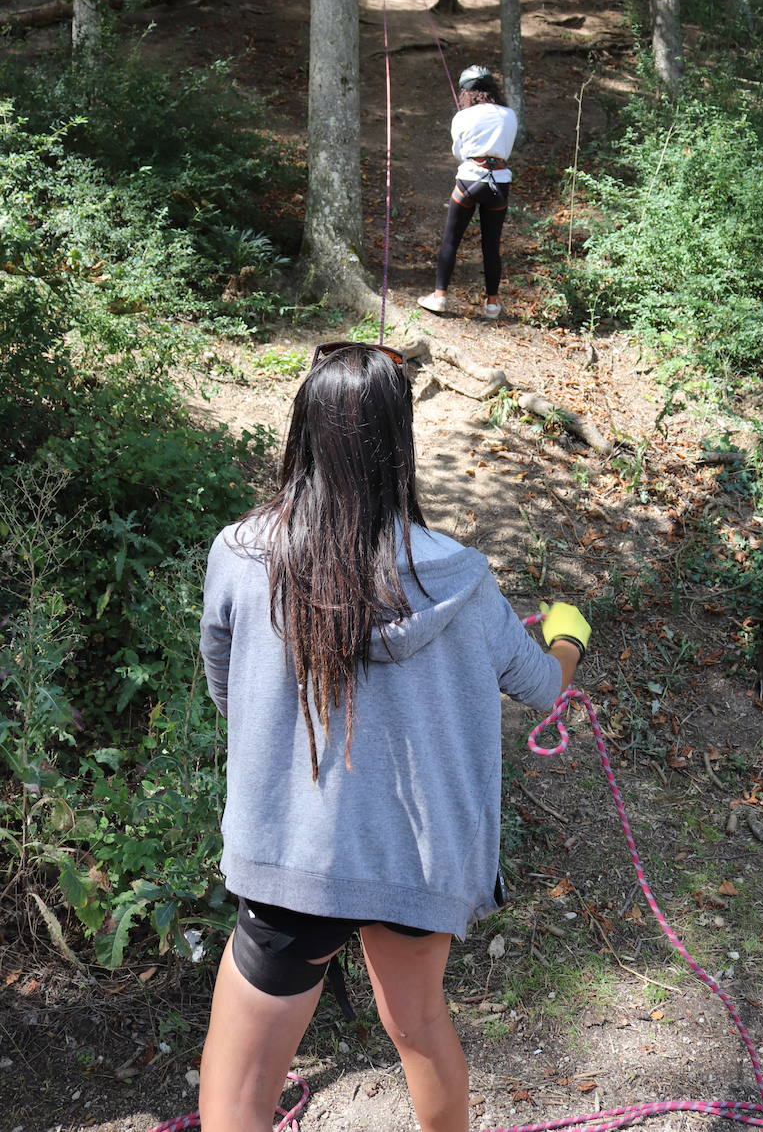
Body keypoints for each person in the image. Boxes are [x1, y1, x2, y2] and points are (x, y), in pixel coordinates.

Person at [198, 341, 591, 1132]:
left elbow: (225, 687)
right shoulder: (462, 577)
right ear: (400, 441)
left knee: (242, 1091)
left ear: (302, 430)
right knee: (418, 1028)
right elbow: (542, 688)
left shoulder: (242, 556)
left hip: (292, 854)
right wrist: (568, 634)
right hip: (417, 855)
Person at [418, 64, 518, 322]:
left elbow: (459, 154)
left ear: (467, 93)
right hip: (500, 184)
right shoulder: (509, 115)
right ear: (491, 89)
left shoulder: (462, 117)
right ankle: (493, 304)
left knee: (451, 239)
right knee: (491, 245)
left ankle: (439, 296)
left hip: (470, 181)